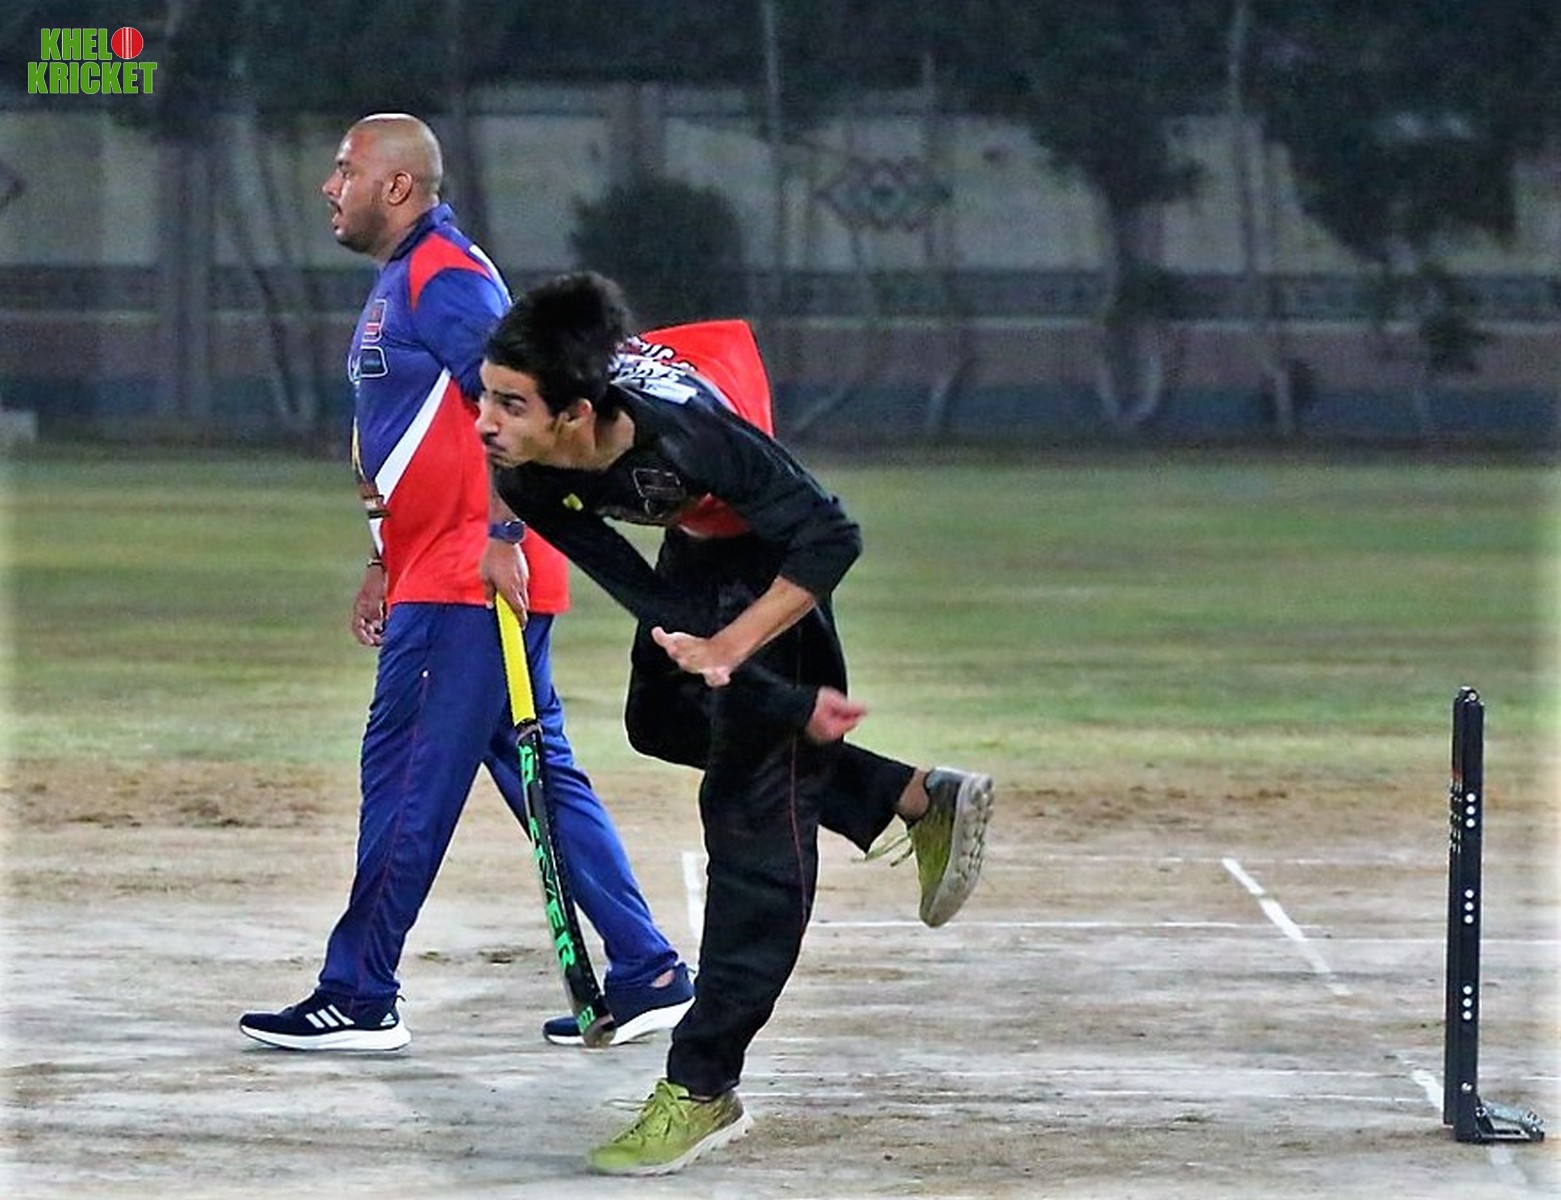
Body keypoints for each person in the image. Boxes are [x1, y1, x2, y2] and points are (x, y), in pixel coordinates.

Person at [475, 271, 996, 1175]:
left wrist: (739, 650)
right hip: (699, 537)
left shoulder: (692, 438)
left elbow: (829, 536)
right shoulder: (523, 470)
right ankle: (909, 796)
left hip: (771, 549)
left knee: (753, 826)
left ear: (577, 413)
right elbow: (643, 591)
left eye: (509, 405)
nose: (484, 423)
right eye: (485, 397)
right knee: (662, 717)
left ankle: (701, 1085)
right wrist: (767, 694)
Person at [239, 115, 691, 1052]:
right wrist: (382, 558)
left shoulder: (443, 275)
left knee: (405, 780)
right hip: (440, 571)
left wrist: (501, 532)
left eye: (345, 170)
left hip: (468, 581)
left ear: (397, 186)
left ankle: (359, 993)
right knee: (543, 778)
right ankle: (647, 971)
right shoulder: (404, 278)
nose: (329, 187)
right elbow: (401, 434)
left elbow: (522, 399)